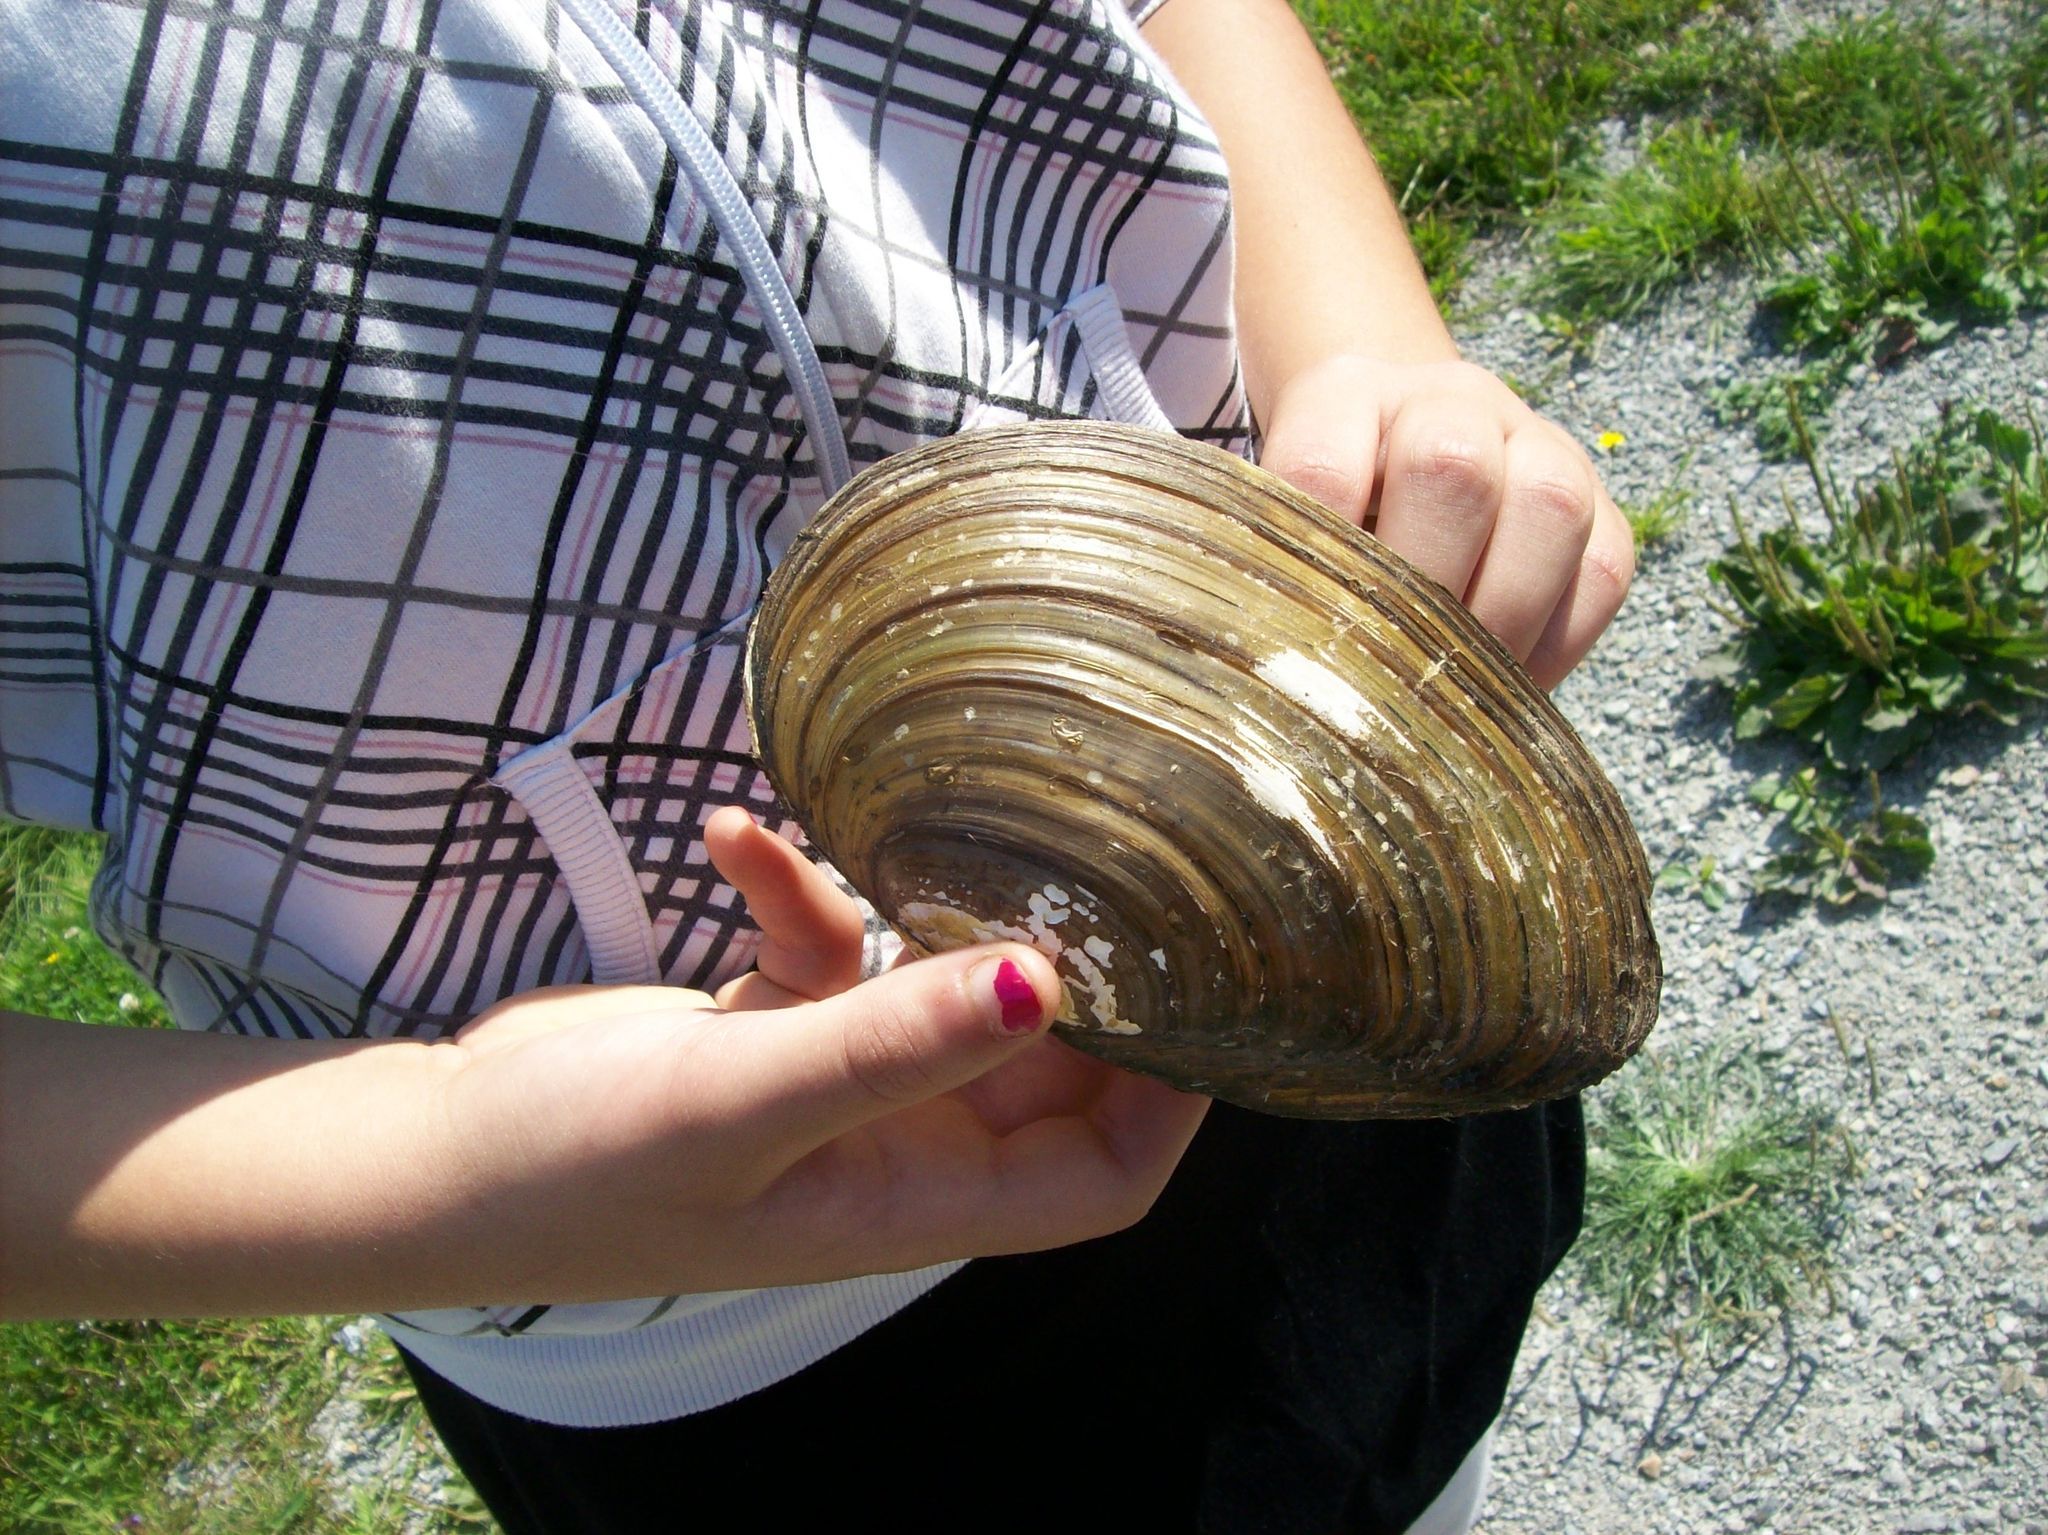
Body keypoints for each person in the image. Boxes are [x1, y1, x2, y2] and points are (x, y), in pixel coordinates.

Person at [0, 0, 1633, 1529]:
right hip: (674, 1293)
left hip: (1321, 882)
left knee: (1421, 1449)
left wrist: (1364, 350)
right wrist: (445, 1149)